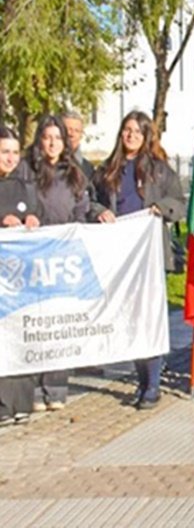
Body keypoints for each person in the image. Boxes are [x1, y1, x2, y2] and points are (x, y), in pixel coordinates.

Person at [94, 111, 185, 407]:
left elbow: (178, 204)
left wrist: (162, 208)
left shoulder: (158, 169)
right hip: (120, 254)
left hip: (148, 253)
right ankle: (141, 378)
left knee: (150, 318)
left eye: (136, 131)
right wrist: (99, 212)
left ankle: (153, 384)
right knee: (129, 320)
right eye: (127, 130)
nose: (131, 135)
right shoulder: (108, 169)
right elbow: (93, 199)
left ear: (146, 136)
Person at [25, 115, 93, 410]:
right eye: (47, 137)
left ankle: (56, 386)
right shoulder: (27, 172)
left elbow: (82, 208)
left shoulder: (74, 174)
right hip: (34, 255)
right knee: (36, 323)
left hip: (64, 257)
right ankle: (35, 388)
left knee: (59, 324)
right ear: (40, 140)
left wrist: (78, 226)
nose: (52, 143)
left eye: (57, 138)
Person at [0, 126, 39, 427]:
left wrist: (34, 220)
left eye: (14, 152)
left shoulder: (26, 185)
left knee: (22, 333)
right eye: (4, 152)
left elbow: (39, 216)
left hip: (22, 278)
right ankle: (3, 403)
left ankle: (23, 400)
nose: (10, 158)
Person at [60, 110, 95, 185]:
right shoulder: (47, 164)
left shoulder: (88, 169)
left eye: (76, 131)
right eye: (68, 129)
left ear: (81, 135)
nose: (71, 134)